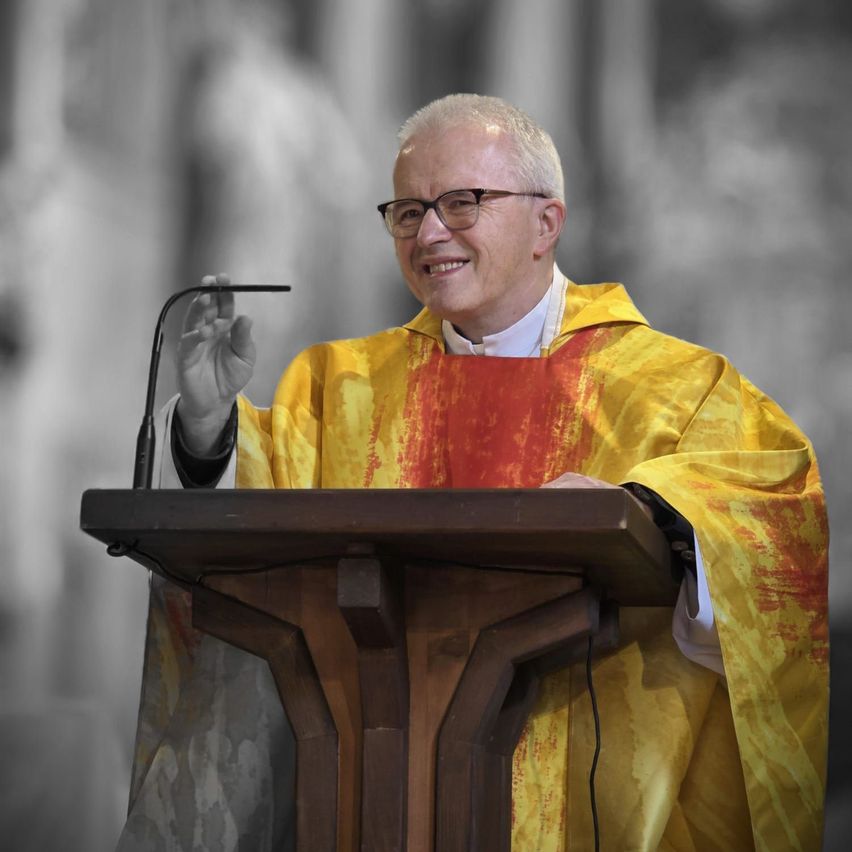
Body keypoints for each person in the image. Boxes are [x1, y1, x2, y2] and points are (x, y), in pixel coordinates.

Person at [118, 95, 828, 851]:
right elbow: (251, 543)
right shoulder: (341, 386)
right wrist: (203, 423)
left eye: (462, 203)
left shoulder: (673, 387)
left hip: (596, 809)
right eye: (408, 210)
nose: (429, 233)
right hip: (370, 802)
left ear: (546, 223)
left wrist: (649, 513)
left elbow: (776, 511)